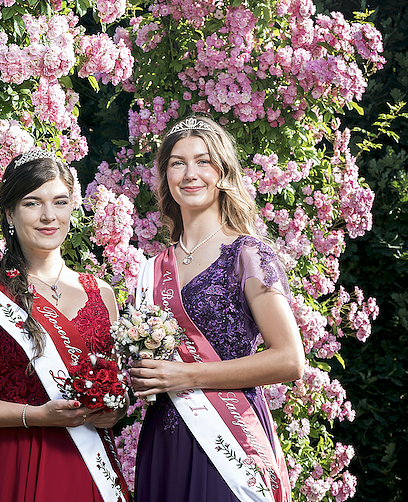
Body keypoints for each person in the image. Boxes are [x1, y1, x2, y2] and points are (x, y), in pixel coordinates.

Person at [130, 115, 305, 502]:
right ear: (166, 177)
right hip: (165, 440)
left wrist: (187, 376)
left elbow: (290, 359)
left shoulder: (248, 255)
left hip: (230, 441)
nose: (190, 173)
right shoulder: (152, 269)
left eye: (203, 161)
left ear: (223, 172)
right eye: (177, 162)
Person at [0, 149, 130, 502]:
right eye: (32, 203)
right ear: (10, 213)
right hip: (12, 461)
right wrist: (36, 416)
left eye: (60, 202)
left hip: (90, 465)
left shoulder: (101, 293)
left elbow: (117, 391)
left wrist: (113, 412)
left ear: (72, 209)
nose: (49, 216)